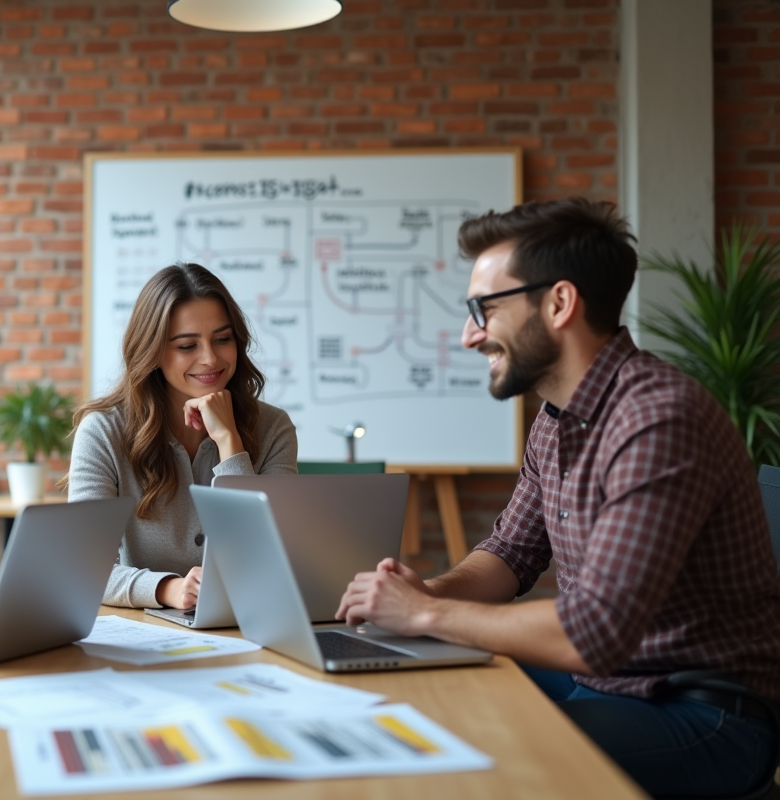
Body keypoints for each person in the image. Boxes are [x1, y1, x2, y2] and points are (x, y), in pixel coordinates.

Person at [336, 198, 780, 798]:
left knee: (474, 756)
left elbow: (592, 631)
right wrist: (425, 594)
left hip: (702, 712)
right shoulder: (556, 417)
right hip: (602, 682)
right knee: (415, 697)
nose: (471, 334)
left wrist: (425, 615)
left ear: (559, 303)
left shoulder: (658, 418)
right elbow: (510, 554)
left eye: (484, 309)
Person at [67, 263, 297, 609]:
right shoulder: (103, 432)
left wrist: (229, 443)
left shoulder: (274, 428)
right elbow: (82, 569)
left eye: (223, 339)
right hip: (144, 634)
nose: (210, 358)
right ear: (154, 352)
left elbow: (270, 561)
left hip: (243, 628)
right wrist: (169, 590)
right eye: (187, 346)